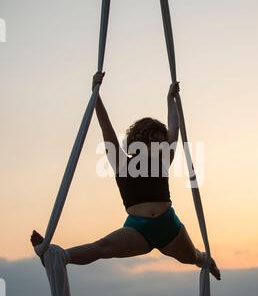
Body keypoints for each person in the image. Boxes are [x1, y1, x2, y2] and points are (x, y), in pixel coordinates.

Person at [31, 72, 220, 280]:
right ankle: (56, 257)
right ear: (141, 139)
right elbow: (106, 128)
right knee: (102, 247)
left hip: (168, 225)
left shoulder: (164, 159)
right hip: (138, 229)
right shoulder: (121, 162)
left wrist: (170, 99)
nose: (161, 143)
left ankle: (206, 260)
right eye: (156, 139)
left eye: (161, 140)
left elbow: (174, 128)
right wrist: (96, 95)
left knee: (192, 256)